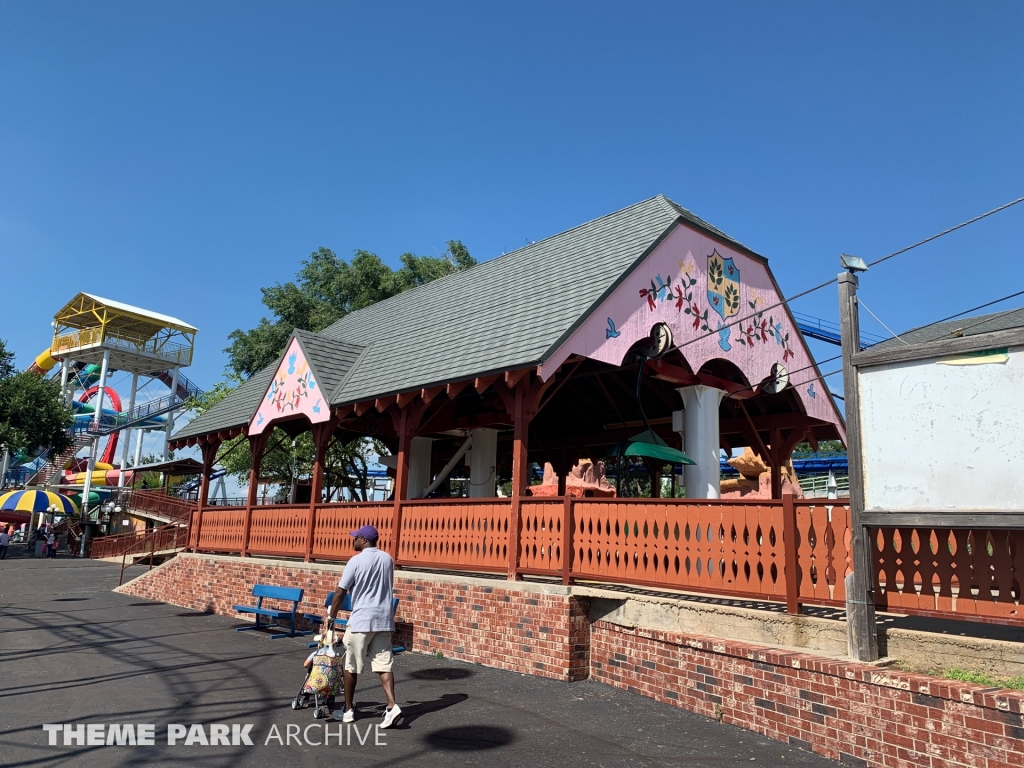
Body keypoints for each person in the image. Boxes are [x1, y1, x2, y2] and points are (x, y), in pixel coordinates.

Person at [325, 525, 401, 728]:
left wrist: (331, 616)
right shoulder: (387, 559)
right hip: (384, 620)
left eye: (356, 537)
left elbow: (341, 591)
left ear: (364, 540)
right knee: (384, 665)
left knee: (351, 665)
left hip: (361, 621)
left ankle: (348, 710)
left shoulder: (356, 561)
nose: (353, 540)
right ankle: (392, 705)